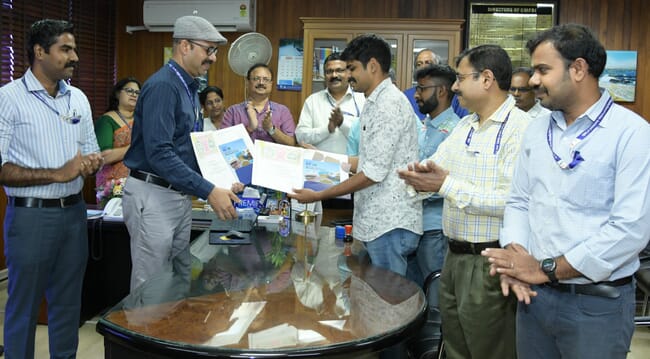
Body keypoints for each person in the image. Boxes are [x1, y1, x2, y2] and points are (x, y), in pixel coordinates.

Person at [481, 24, 650, 359]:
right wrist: (517, 261)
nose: (532, 81)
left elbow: (630, 230)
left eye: (543, 70)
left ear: (578, 69)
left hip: (596, 307)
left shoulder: (632, 134)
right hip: (534, 301)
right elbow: (519, 200)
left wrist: (543, 268)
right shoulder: (536, 129)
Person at [398, 44, 530, 359]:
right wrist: (419, 181)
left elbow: (511, 200)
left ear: (486, 79)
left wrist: (444, 184)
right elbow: (435, 169)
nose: (455, 87)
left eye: (460, 78)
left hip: (491, 261)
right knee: (455, 347)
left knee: (489, 349)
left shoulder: (521, 128)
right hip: (453, 257)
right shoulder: (465, 126)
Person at [0, 19, 103, 358]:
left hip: (74, 215)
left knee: (67, 305)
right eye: (65, 49)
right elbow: (2, 168)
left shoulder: (79, 98)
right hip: (31, 218)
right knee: (24, 308)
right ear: (39, 52)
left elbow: (89, 153)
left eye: (74, 49)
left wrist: (92, 164)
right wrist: (57, 174)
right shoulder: (9, 99)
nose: (74, 56)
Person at [290, 33, 422, 277]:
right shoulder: (374, 102)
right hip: (376, 221)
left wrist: (319, 194)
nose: (348, 75)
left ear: (372, 66)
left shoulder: (388, 104)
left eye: (352, 68)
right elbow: (369, 160)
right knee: (374, 301)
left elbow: (372, 173)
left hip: (389, 223)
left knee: (387, 304)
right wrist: (321, 157)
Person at [123, 15, 239, 292]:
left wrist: (219, 181)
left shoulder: (189, 87)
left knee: (178, 278)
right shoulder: (164, 86)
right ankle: (144, 333)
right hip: (154, 195)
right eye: (208, 50)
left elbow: (187, 149)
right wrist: (210, 190)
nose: (213, 58)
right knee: (151, 284)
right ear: (185, 46)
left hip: (177, 196)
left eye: (215, 51)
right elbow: (160, 153)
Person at [405, 64, 461, 287]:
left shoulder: (456, 130)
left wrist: (417, 183)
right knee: (413, 292)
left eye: (422, 89)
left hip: (435, 227)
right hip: (414, 223)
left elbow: (449, 182)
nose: (416, 95)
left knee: (434, 290)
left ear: (441, 91)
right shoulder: (425, 126)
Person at [295, 52, 365, 154]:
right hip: (317, 164)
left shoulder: (362, 100)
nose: (334, 75)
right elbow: (300, 136)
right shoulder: (313, 101)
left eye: (339, 70)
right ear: (324, 75)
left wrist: (342, 124)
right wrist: (327, 129)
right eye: (329, 71)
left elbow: (368, 140)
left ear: (349, 73)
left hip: (352, 168)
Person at [222, 63, 296, 145]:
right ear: (247, 82)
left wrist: (271, 128)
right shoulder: (232, 111)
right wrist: (249, 128)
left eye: (266, 79)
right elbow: (223, 143)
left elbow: (291, 143)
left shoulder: (282, 111)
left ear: (271, 84)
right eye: (256, 79)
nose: (261, 82)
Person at [94, 76, 141, 193]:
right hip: (113, 186)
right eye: (129, 91)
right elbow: (104, 157)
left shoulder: (143, 121)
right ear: (117, 94)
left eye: (137, 92)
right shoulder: (106, 120)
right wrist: (135, 147)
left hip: (140, 183)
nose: (134, 95)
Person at [403, 48, 469, 120]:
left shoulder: (453, 96)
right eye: (419, 64)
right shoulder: (407, 96)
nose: (423, 67)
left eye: (428, 63)